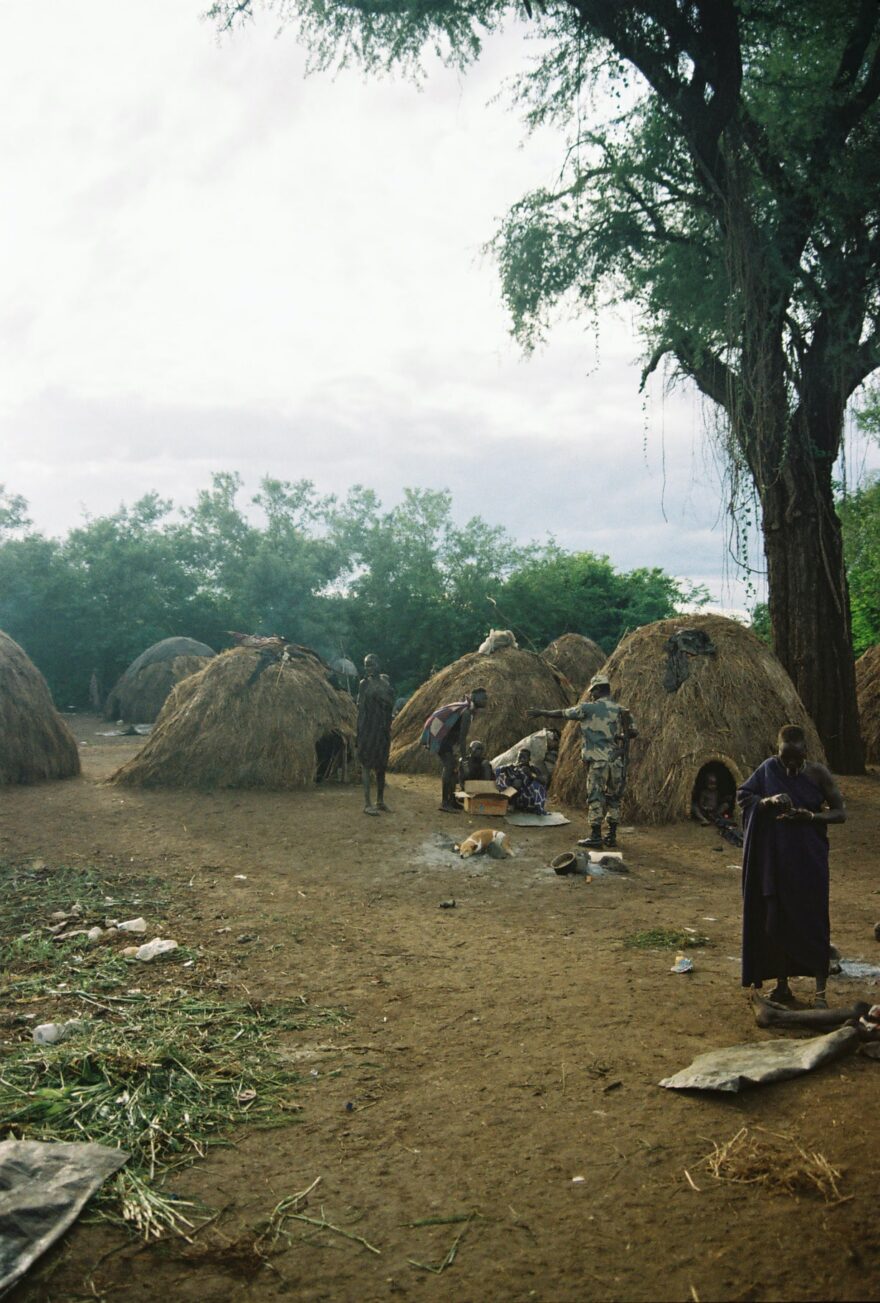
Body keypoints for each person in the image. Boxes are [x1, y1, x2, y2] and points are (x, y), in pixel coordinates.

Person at [738, 724, 846, 1008]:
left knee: (814, 922)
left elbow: (840, 813)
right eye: (785, 759)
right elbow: (744, 797)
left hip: (809, 861)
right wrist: (768, 800)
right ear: (777, 753)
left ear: (805, 753)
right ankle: (782, 986)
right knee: (778, 921)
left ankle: (820, 993)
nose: (789, 767)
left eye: (796, 759)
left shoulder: (818, 774)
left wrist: (810, 816)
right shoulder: (767, 769)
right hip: (776, 862)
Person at [529, 673, 636, 848]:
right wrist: (617, 737)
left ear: (599, 689)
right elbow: (633, 733)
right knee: (614, 798)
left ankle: (595, 836)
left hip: (598, 762)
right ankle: (611, 835)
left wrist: (542, 712)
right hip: (616, 761)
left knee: (595, 796)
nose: (591, 694)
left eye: (593, 691)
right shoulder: (621, 710)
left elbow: (563, 713)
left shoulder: (588, 708)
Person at [421, 688, 488, 812]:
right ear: (474, 698)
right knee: (449, 768)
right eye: (483, 698)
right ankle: (445, 803)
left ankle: (451, 801)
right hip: (444, 744)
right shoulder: (467, 713)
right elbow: (462, 739)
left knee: (453, 771)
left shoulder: (469, 711)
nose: (486, 700)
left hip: (447, 744)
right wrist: (464, 761)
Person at [356, 654, 395, 815]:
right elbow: (361, 707)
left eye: (371, 665)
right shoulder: (364, 684)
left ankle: (380, 800)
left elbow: (390, 703)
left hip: (382, 730)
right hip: (368, 729)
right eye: (366, 665)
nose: (368, 668)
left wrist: (384, 697)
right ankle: (367, 804)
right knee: (366, 765)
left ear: (379, 664)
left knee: (381, 766)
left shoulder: (385, 683)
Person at [691, 770, 743, 847]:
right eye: (711, 784)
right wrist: (705, 808)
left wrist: (727, 798)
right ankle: (703, 819)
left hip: (714, 811)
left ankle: (716, 817)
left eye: (714, 784)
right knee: (694, 806)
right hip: (705, 811)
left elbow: (718, 801)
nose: (713, 786)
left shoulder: (716, 792)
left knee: (726, 805)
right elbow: (700, 803)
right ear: (706, 784)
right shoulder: (704, 792)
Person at [491, 728, 560, 785]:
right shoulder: (539, 742)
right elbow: (538, 762)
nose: (555, 747)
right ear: (553, 738)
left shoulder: (540, 739)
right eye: (556, 744)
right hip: (498, 771)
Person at [494, 747, 548, 815]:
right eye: (520, 757)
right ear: (517, 758)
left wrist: (530, 774)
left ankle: (535, 808)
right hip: (513, 798)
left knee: (530, 784)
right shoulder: (511, 768)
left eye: (524, 757)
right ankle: (508, 804)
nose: (521, 759)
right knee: (514, 781)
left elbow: (544, 781)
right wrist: (508, 769)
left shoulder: (533, 769)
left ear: (529, 759)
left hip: (528, 799)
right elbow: (497, 772)